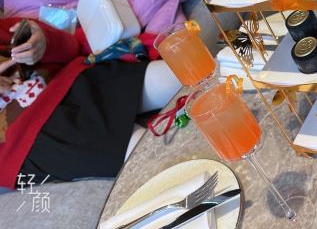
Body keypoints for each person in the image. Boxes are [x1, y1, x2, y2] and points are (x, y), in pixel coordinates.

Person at [0, 18, 181, 188]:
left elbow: (71, 47)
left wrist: (45, 41)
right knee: (164, 157)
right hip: (31, 142)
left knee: (180, 76)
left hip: (73, 82)